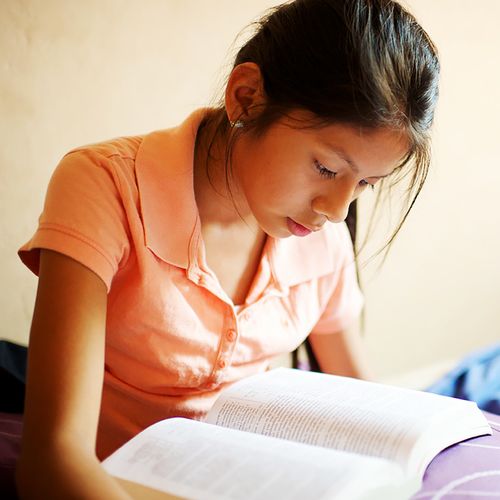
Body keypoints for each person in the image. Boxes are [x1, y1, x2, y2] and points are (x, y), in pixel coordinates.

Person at [15, 0, 440, 498]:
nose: (335, 208)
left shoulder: (321, 239)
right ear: (246, 97)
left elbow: (363, 402)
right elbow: (52, 459)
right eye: (326, 168)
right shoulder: (105, 185)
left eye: (366, 182)